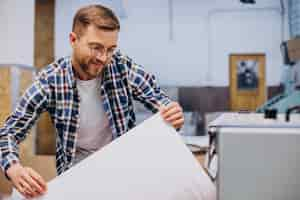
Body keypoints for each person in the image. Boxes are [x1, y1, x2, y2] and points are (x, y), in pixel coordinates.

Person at [0, 4, 184, 199]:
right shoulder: (50, 80)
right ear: (73, 40)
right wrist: (13, 168)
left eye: (110, 49)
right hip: (77, 173)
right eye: (96, 48)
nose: (104, 58)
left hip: (123, 167)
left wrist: (172, 112)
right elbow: (8, 133)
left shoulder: (121, 66)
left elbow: (157, 99)